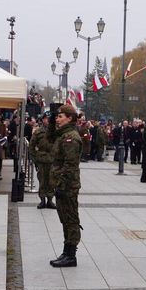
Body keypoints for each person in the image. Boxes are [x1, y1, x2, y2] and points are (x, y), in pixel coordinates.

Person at [49, 105, 83, 268]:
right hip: (62, 183)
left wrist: (62, 185)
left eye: (60, 116)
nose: (57, 118)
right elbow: (49, 138)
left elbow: (70, 165)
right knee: (65, 219)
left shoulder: (71, 137)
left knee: (70, 219)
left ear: (70, 118)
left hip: (68, 185)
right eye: (57, 116)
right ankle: (66, 252)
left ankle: (71, 255)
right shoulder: (63, 134)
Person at [29, 113, 56, 209]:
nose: (47, 121)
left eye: (49, 119)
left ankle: (50, 200)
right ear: (42, 120)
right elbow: (31, 146)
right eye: (46, 119)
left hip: (52, 160)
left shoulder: (55, 132)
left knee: (51, 180)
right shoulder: (38, 132)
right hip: (41, 159)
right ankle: (42, 200)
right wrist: (34, 158)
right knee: (42, 180)